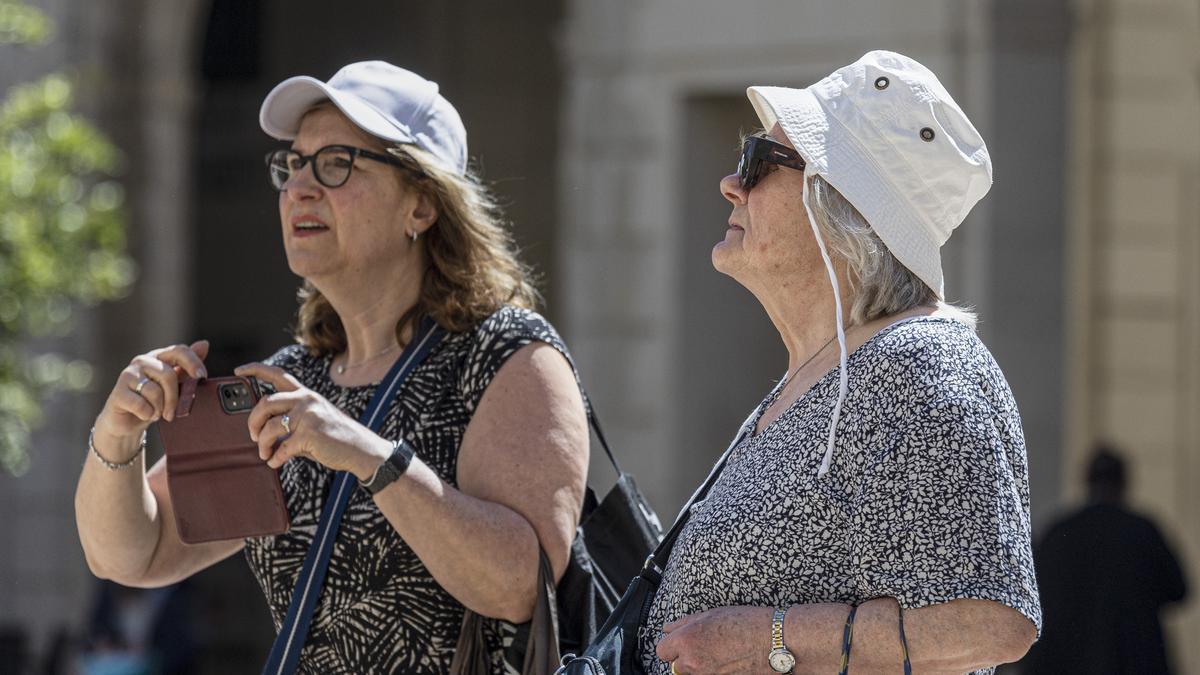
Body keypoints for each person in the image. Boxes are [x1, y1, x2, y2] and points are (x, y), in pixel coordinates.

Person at [74, 61, 589, 674]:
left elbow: (518, 586)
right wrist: (117, 434)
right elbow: (137, 553)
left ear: (422, 205)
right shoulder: (295, 378)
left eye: (336, 164)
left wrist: (370, 456)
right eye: (292, 165)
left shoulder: (509, 355)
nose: (299, 188)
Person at [641, 51, 1041, 674]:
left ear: (842, 209)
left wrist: (764, 642)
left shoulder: (922, 365)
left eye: (759, 161)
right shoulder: (830, 371)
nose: (731, 182)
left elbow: (992, 618)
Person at [1025, 446, 1189, 674]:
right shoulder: (1142, 531)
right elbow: (1179, 591)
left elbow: (1032, 596)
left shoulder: (1059, 532)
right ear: (1124, 482)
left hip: (1064, 661)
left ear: (1086, 481)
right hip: (1134, 660)